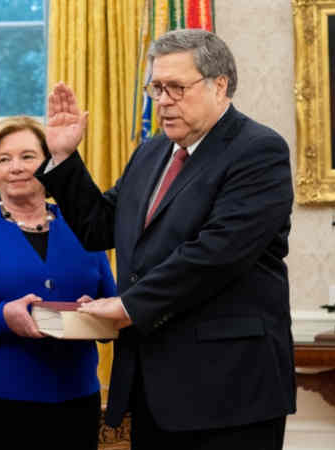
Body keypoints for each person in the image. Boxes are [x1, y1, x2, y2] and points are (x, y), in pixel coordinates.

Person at [37, 29, 295, 449]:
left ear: (220, 85)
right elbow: (98, 227)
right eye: (156, 88)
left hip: (231, 392)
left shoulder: (258, 150)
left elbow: (218, 253)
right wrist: (65, 157)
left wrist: (126, 306)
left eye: (176, 87)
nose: (163, 100)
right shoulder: (152, 152)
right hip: (154, 388)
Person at [0, 116, 117, 450]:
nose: (15, 167)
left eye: (28, 157)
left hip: (77, 402)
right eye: (4, 159)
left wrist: (95, 315)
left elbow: (114, 311)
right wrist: (2, 316)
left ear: (49, 164)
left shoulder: (84, 224)